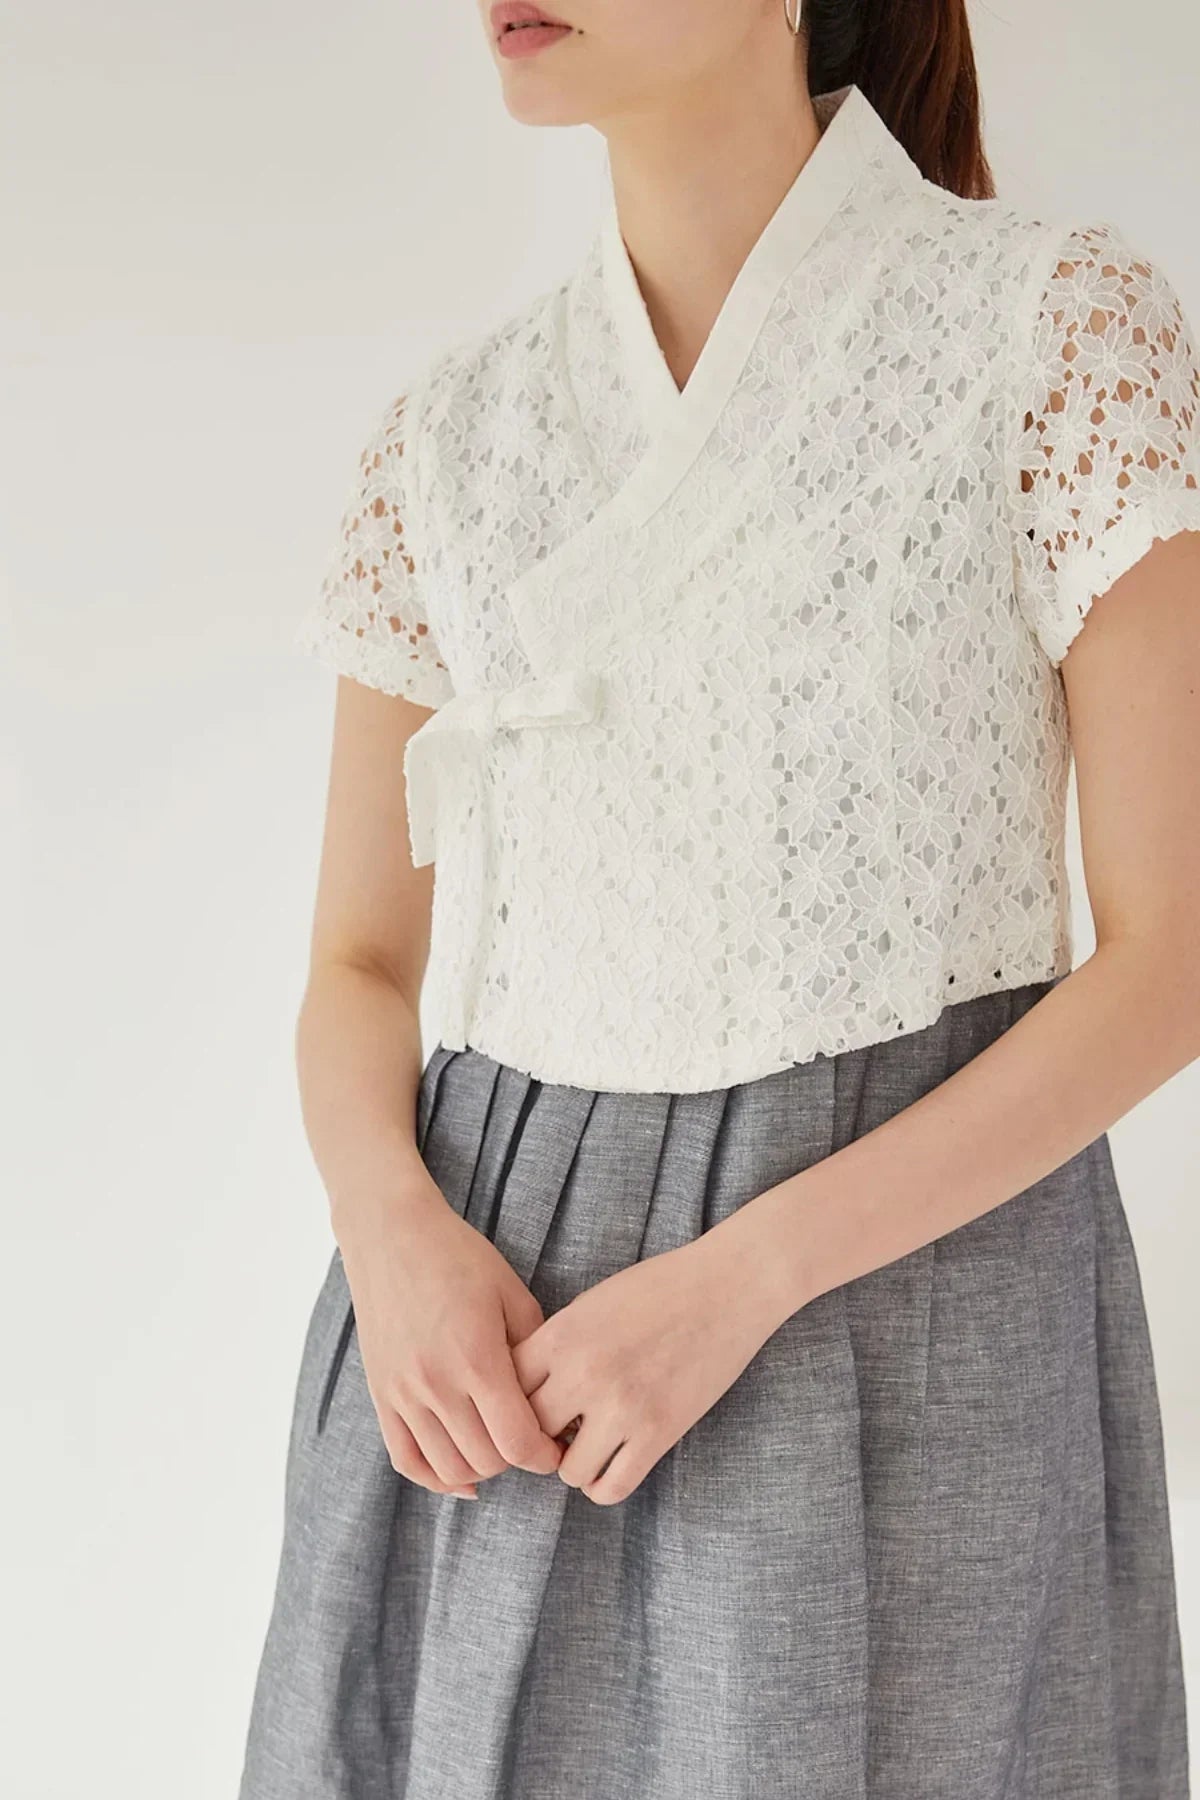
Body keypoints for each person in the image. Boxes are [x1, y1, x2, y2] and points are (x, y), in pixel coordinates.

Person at [237, 2, 1200, 1795]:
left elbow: (1173, 956)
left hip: (900, 1307)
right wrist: (393, 1237)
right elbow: (359, 964)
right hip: (488, 1341)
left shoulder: (1047, 328)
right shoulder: (445, 441)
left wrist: (742, 1281)